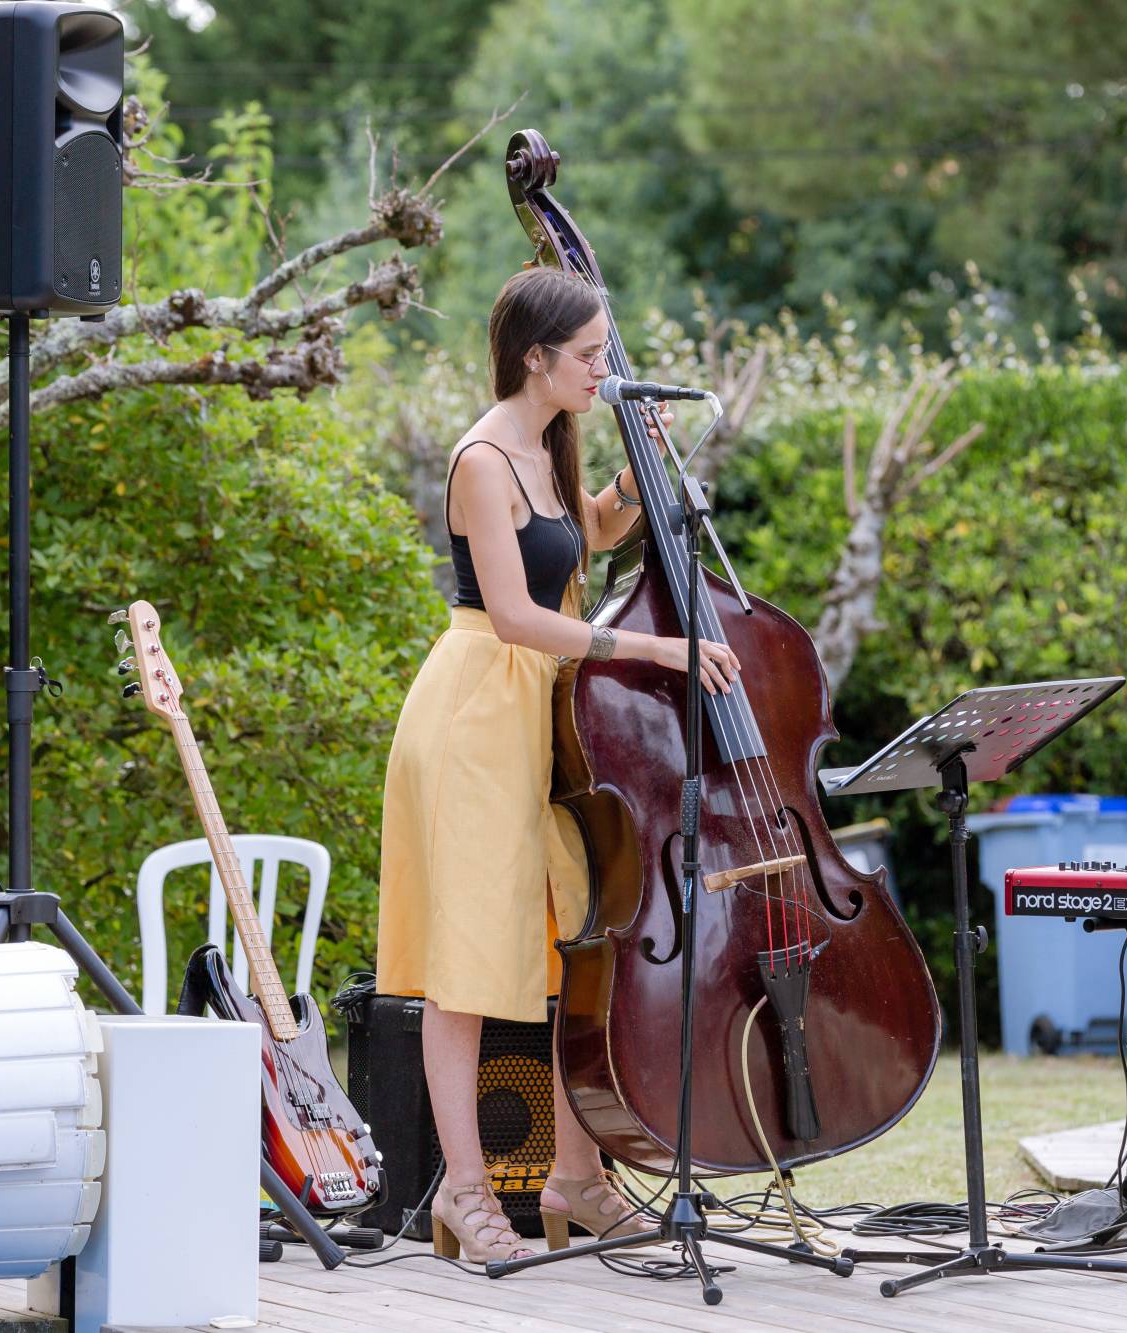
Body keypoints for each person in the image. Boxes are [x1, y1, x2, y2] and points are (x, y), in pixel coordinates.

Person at [376, 267, 741, 1263]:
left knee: (577, 940)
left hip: (541, 713)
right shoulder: (481, 458)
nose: (601, 370)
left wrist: (630, 482)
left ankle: (574, 1178)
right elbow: (513, 614)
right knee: (463, 967)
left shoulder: (544, 445)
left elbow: (580, 538)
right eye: (587, 355)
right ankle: (464, 1193)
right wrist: (655, 648)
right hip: (473, 717)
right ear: (534, 359)